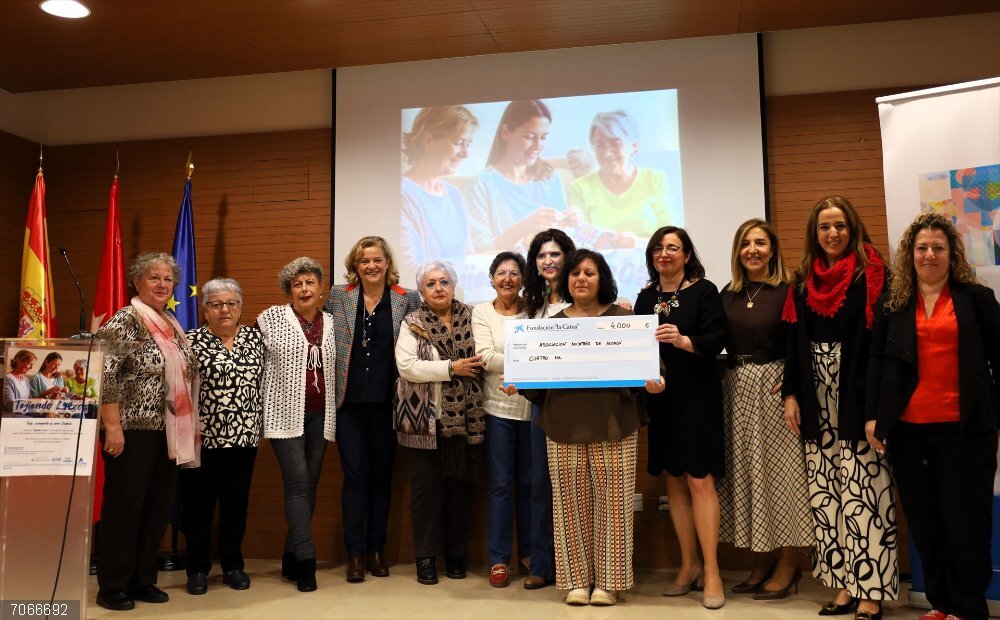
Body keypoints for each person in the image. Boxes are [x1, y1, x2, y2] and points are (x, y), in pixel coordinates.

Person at [511, 249, 664, 606]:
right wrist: (519, 380)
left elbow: (651, 370)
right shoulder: (551, 325)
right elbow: (536, 381)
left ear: (602, 279)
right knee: (569, 507)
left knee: (615, 506)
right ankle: (577, 581)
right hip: (562, 425)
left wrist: (655, 382)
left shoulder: (625, 319)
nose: (581, 278)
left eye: (590, 273)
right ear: (566, 280)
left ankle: (609, 583)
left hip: (615, 423)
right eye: (575, 273)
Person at [867, 213, 1000, 620]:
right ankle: (942, 604)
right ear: (910, 254)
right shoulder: (893, 305)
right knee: (927, 523)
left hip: (966, 432)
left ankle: (968, 608)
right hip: (909, 435)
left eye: (937, 248)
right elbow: (876, 364)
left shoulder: (976, 299)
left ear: (951, 253)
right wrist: (874, 417)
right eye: (922, 248)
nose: (929, 255)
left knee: (966, 524)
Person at [782, 195, 894, 620]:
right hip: (816, 396)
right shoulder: (802, 280)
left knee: (865, 492)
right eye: (825, 226)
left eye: (840, 225)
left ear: (853, 229)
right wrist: (791, 394)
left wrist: (876, 405)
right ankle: (845, 584)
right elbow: (794, 341)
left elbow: (880, 343)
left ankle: (871, 591)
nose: (833, 233)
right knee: (826, 494)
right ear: (815, 233)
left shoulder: (873, 274)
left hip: (857, 395)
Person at [94, 252, 200, 612]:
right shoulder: (126, 319)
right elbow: (105, 375)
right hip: (131, 429)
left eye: (167, 279)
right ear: (136, 282)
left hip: (168, 430)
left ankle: (142, 578)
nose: (162, 284)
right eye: (154, 277)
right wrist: (112, 426)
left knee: (156, 507)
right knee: (125, 507)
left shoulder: (170, 321)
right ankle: (112, 585)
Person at [717, 219, 811, 599]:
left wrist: (791, 388)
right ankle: (763, 559)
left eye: (760, 243)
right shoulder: (728, 294)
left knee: (782, 479)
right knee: (750, 477)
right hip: (736, 388)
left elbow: (800, 344)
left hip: (774, 388)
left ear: (772, 250)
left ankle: (789, 564)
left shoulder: (789, 290)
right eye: (745, 244)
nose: (752, 250)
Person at [634, 226, 727, 609]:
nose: (665, 254)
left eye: (673, 248)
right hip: (661, 400)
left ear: (687, 255)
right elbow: (638, 350)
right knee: (673, 481)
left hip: (698, 398)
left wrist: (684, 340)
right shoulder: (645, 298)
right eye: (658, 248)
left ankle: (712, 572)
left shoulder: (704, 291)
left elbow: (717, 339)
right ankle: (688, 566)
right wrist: (649, 373)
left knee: (700, 480)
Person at [325, 236, 420, 582]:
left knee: (381, 478)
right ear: (356, 265)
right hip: (348, 405)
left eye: (377, 260)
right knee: (355, 478)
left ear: (387, 263)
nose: (371, 266)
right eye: (365, 261)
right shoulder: (339, 296)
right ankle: (355, 554)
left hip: (388, 405)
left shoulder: (407, 298)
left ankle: (376, 551)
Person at [394, 260, 486, 586]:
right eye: (430, 284)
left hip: (466, 420)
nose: (438, 288)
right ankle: (426, 558)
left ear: (454, 285)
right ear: (422, 291)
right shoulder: (412, 322)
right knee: (426, 494)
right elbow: (407, 366)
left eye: (444, 282)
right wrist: (451, 368)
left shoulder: (473, 317)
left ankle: (457, 556)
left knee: (460, 491)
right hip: (423, 422)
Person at [257, 257, 337, 593]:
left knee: (310, 483)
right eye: (297, 284)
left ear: (321, 289)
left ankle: (290, 555)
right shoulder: (271, 319)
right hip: (283, 414)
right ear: (289, 291)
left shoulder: (332, 322)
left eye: (309, 283)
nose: (304, 289)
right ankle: (306, 559)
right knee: (298, 483)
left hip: (321, 415)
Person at [181, 278, 264, 595]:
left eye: (231, 303)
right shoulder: (190, 341)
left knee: (236, 505)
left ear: (240, 307)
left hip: (245, 437)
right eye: (216, 304)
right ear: (205, 309)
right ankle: (197, 569)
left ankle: (233, 565)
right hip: (203, 439)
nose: (224, 309)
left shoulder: (256, 340)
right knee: (199, 506)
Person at [520, 228, 577, 589]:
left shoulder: (584, 296)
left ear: (568, 257)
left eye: (555, 254)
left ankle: (575, 567)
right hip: (541, 404)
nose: (548, 261)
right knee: (540, 484)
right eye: (541, 255)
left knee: (572, 486)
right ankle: (541, 564)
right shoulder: (532, 303)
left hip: (579, 404)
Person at [471, 251, 532, 588]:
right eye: (501, 273)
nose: (508, 279)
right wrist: (528, 363)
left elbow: (548, 350)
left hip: (533, 409)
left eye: (514, 273)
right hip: (496, 410)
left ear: (523, 279)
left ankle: (531, 555)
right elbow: (484, 356)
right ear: (492, 278)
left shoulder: (535, 309)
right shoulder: (482, 312)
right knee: (500, 485)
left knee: (531, 485)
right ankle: (498, 559)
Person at [466, 100, 573, 254]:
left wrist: (569, 223)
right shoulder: (480, 184)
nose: (538, 146)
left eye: (543, 137)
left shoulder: (549, 178)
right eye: (529, 136)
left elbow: (563, 239)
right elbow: (480, 248)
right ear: (505, 133)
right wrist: (524, 227)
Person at [568, 109, 677, 238]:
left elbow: (669, 234)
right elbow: (579, 238)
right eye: (599, 145)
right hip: (600, 251)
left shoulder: (655, 179)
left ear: (634, 146)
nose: (607, 153)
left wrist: (638, 244)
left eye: (615, 143)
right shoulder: (580, 187)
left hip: (650, 250)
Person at [401, 105, 479, 278]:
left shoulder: (454, 194)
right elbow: (408, 269)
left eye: (468, 144)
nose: (465, 154)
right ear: (428, 141)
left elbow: (469, 255)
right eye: (458, 143)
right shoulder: (402, 195)